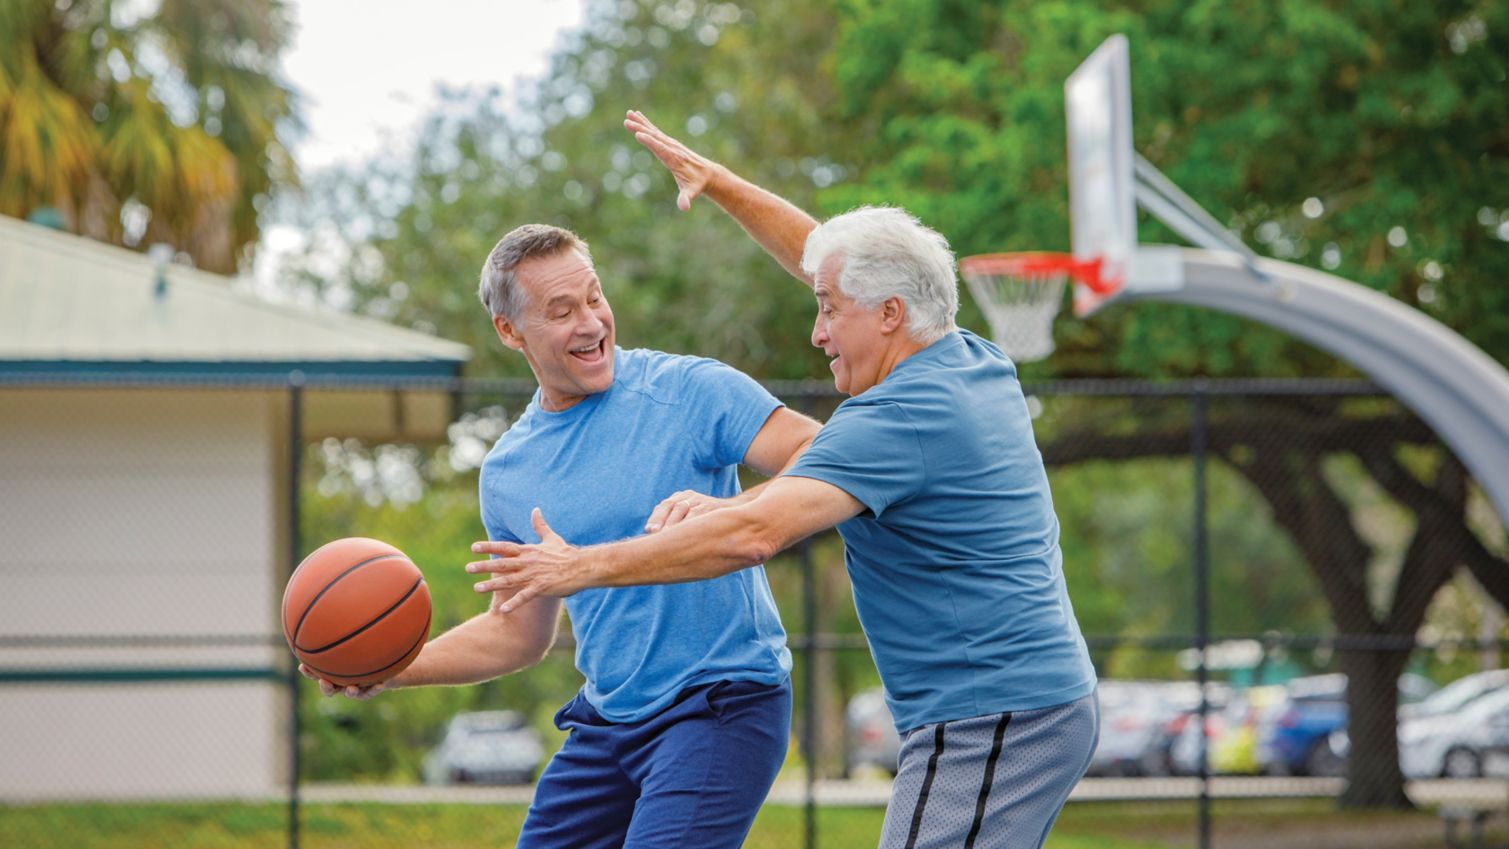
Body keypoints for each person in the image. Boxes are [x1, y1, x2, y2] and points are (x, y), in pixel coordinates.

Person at [468, 111, 1100, 849]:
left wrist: (578, 566)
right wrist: (723, 186)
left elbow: (754, 532)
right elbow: (828, 261)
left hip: (992, 710)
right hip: (1018, 702)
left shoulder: (894, 420)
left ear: (889, 315)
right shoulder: (965, 357)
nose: (817, 329)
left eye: (829, 311)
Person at [302, 221, 821, 849]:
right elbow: (517, 634)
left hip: (721, 705)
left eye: (595, 298)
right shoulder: (508, 472)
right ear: (509, 330)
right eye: (561, 311)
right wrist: (391, 667)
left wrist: (730, 508)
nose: (592, 323)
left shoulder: (688, 391)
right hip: (609, 720)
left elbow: (820, 458)